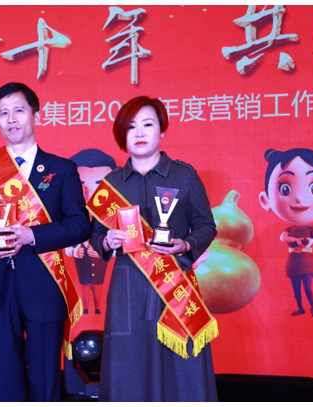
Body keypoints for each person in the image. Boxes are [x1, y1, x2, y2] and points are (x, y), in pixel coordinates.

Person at [0, 82, 90, 402]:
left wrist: (33, 235)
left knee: (45, 377)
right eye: (3, 113)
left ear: (36, 116)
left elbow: (79, 225)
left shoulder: (62, 169)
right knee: (6, 377)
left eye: (18, 110)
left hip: (44, 281)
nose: (11, 119)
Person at [88, 96, 218, 401]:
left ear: (162, 130)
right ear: (122, 134)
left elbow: (206, 225)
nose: (139, 133)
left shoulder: (184, 176)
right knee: (129, 366)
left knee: (182, 368)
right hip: (128, 289)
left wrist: (185, 244)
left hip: (175, 282)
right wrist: (106, 241)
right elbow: (96, 233)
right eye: (131, 127)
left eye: (147, 124)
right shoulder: (111, 184)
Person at [259, 148, 313, 318]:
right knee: (296, 287)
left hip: (307, 260)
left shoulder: (310, 229)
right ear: (265, 200)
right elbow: (283, 237)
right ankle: (300, 307)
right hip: (293, 260)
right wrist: (296, 241)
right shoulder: (290, 230)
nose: (299, 199)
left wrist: (310, 241)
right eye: (285, 189)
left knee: (307, 286)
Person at [66, 149, 117, 315]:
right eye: (81, 186)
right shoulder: (65, 215)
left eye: (99, 186)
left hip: (110, 274)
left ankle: (98, 307)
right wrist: (75, 251)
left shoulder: (121, 213)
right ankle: (86, 308)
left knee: (100, 286)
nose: (90, 195)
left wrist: (108, 248)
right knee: (84, 284)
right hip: (81, 263)